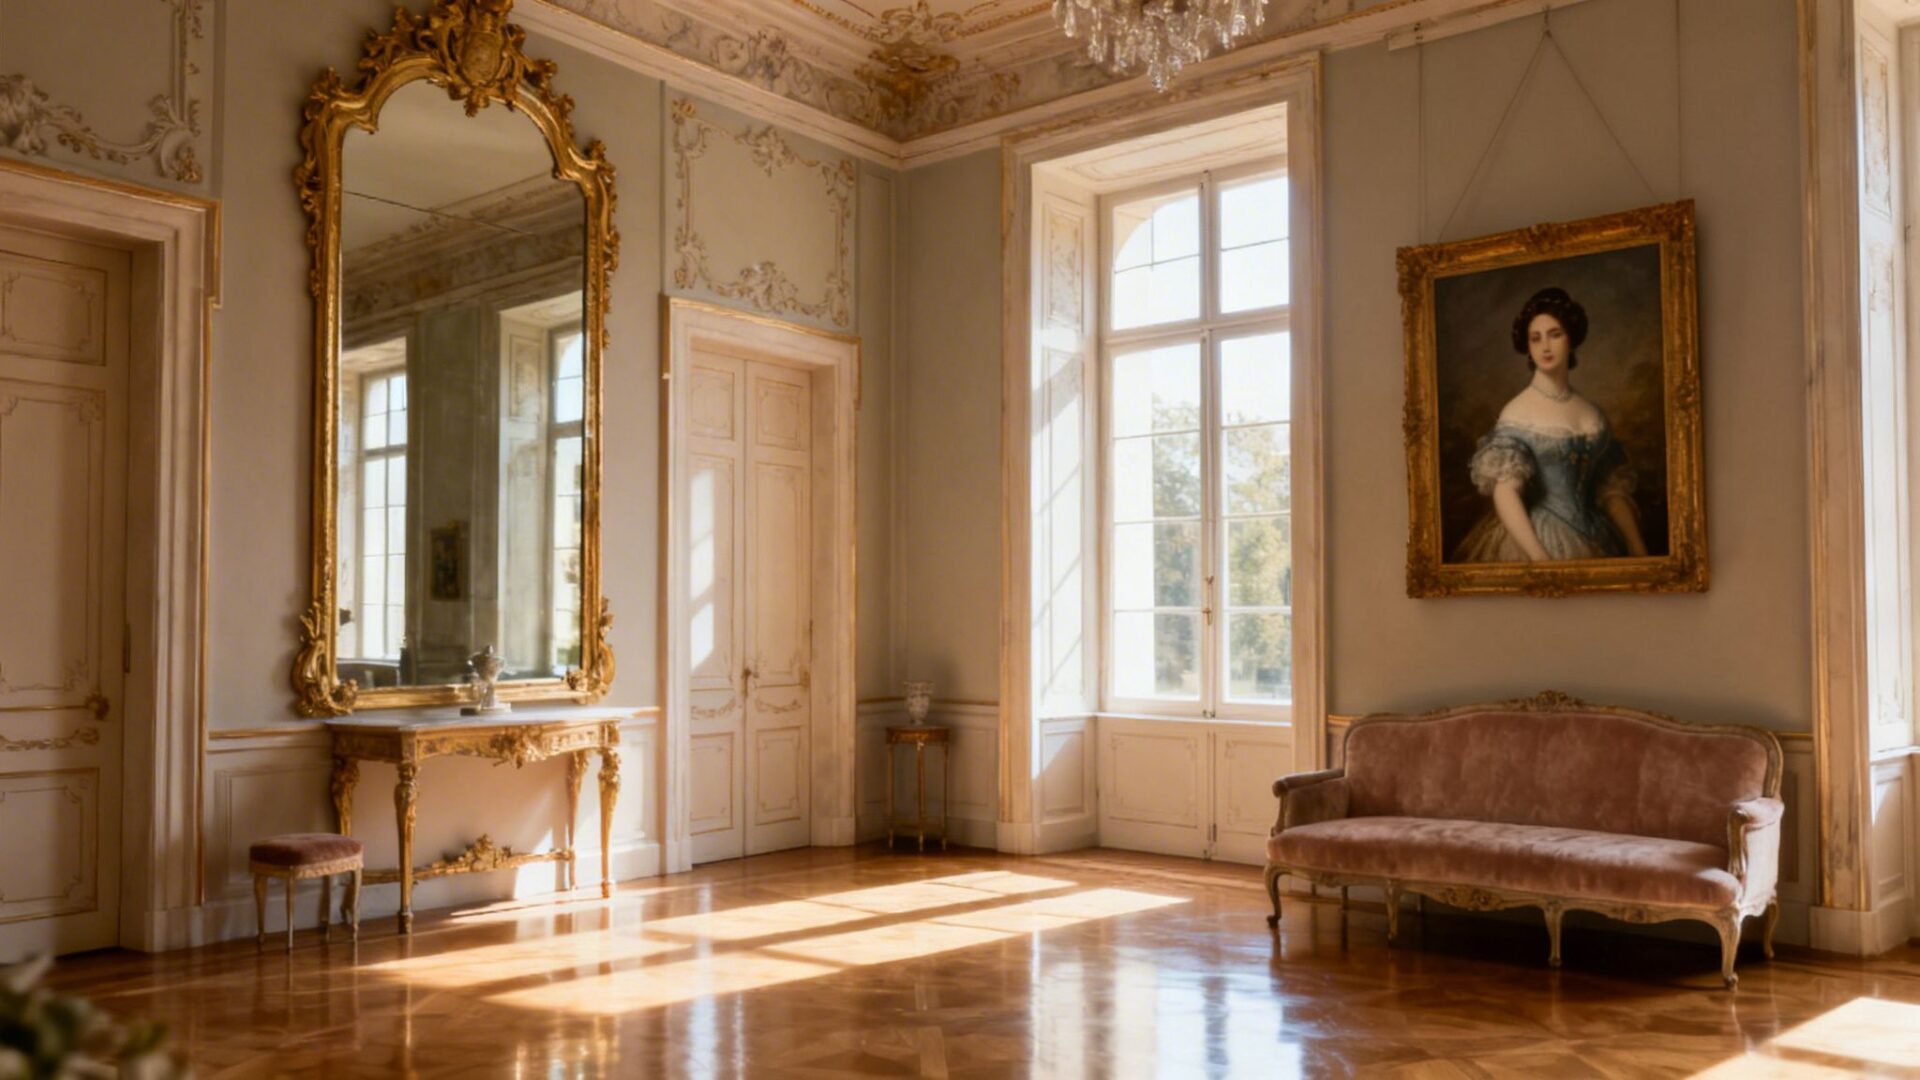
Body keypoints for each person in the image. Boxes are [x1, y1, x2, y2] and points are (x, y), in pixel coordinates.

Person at [1454, 287, 1650, 563]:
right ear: (1528, 347)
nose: (1545, 347)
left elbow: (1611, 492)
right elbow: (1506, 491)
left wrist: (1637, 547)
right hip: (1538, 539)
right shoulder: (1517, 412)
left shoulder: (1592, 413)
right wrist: (1539, 558)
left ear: (1571, 339)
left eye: (1555, 334)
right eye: (1535, 339)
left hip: (1599, 538)